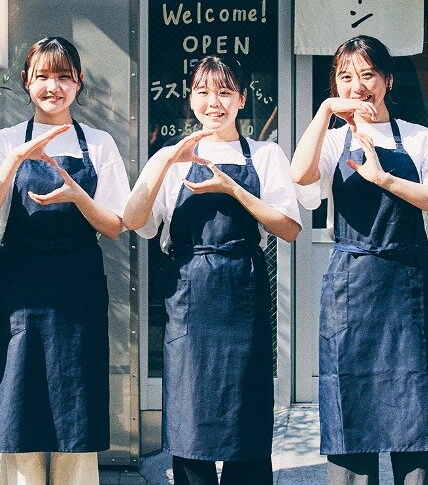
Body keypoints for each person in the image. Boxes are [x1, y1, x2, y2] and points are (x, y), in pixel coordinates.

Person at [290, 35, 428, 485]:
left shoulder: (421, 139)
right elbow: (299, 176)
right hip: (351, 288)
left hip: (408, 287)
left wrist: (384, 177)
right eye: (346, 76)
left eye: (367, 74)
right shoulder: (330, 141)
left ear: (387, 79)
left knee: (416, 412)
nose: (358, 86)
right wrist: (326, 112)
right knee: (350, 414)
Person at [124, 56, 301, 485]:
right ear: (191, 98)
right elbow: (133, 219)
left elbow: (289, 227)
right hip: (189, 294)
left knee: (247, 422)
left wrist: (232, 188)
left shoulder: (265, 154)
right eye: (203, 91)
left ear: (241, 98)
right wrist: (165, 162)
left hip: (243, 292)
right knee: (190, 424)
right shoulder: (170, 157)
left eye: (224, 92)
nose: (214, 102)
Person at [0, 37, 130, 485]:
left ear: (78, 84)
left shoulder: (97, 143)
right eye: (42, 76)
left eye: (63, 76)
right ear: (26, 82)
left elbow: (115, 224)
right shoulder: (6, 141)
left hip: (76, 289)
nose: (53, 87)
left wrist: (78, 195)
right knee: (19, 405)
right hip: (20, 290)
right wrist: (18, 159)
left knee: (74, 408)